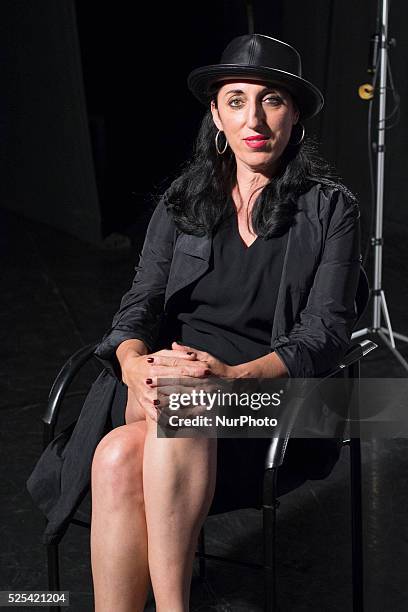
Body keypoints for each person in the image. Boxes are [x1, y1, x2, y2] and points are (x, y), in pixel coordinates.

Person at [27, 33, 361, 612]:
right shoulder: (182, 202)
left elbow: (326, 333)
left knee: (131, 445)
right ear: (215, 115)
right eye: (235, 100)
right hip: (166, 386)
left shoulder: (330, 208)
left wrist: (230, 376)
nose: (253, 118)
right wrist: (132, 363)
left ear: (295, 114)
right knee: (155, 420)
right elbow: (139, 306)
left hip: (270, 401)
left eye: (271, 99)